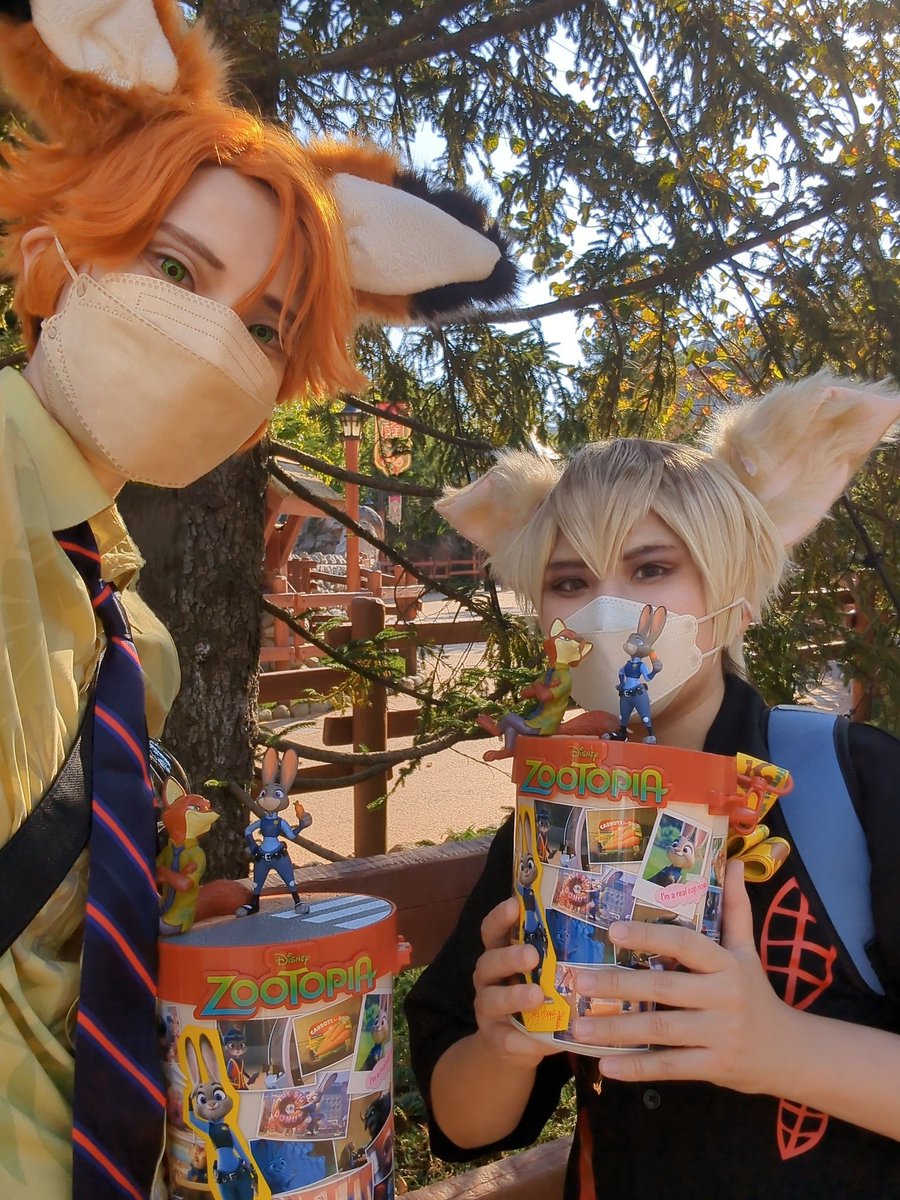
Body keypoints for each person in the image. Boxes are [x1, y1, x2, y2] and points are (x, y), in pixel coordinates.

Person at [0, 3, 515, 1196]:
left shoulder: (132, 631)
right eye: (175, 268)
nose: (210, 341)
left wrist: (140, 939)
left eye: (264, 329)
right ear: (56, 250)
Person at [406, 373, 900, 1197]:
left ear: (738, 596)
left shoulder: (856, 785)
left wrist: (778, 1048)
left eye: (651, 567)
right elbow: (464, 1122)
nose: (610, 609)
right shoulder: (553, 818)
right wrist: (503, 1046)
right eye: (571, 582)